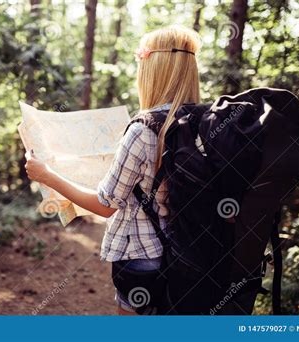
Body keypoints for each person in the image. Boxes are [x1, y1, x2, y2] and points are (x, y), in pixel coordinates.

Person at [25, 25, 201, 315]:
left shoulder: (144, 129)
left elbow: (105, 206)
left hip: (143, 258)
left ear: (153, 70)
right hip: (190, 255)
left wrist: (46, 176)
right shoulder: (204, 121)